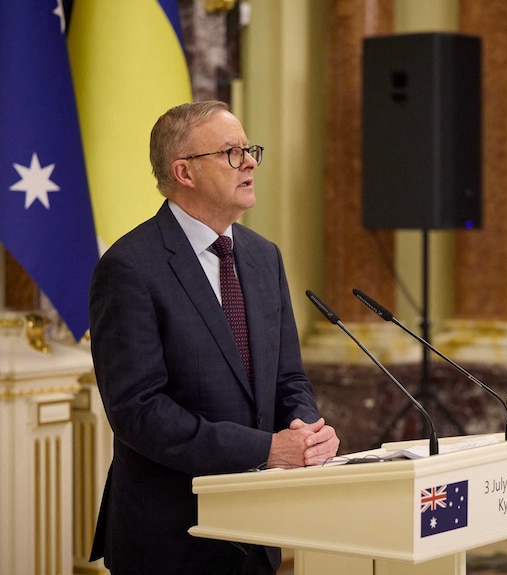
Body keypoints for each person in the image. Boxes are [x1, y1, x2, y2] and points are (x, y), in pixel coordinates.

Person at [88, 100, 340, 575]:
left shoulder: (264, 257)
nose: (249, 162)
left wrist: (307, 435)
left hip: (259, 529)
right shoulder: (129, 267)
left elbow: (288, 378)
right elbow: (139, 412)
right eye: (231, 152)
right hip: (171, 534)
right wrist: (264, 450)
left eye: (249, 150)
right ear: (184, 171)